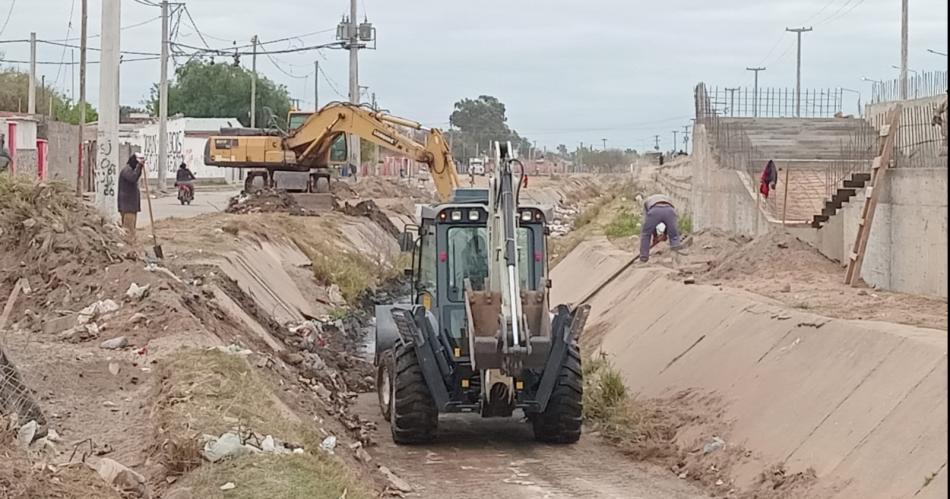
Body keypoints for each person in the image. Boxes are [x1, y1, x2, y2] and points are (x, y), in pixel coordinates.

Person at [639, 194, 683, 263]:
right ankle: (676, 258)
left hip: (654, 210)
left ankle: (643, 258)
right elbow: (669, 224)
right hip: (670, 210)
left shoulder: (646, 201)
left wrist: (655, 237)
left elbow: (649, 223)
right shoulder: (668, 199)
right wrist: (665, 234)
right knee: (674, 235)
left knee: (646, 234)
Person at [118, 152, 145, 240]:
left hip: (131, 206)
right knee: (128, 230)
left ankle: (131, 243)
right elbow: (133, 178)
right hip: (127, 206)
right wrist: (139, 167)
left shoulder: (130, 170)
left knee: (131, 228)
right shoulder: (127, 170)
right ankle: (129, 245)